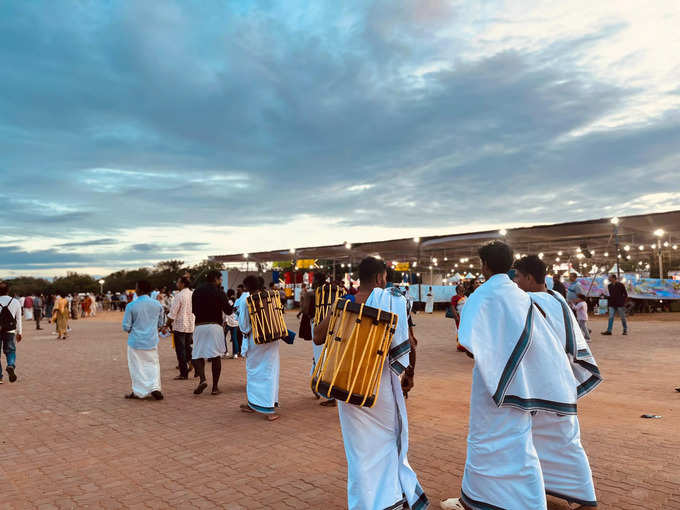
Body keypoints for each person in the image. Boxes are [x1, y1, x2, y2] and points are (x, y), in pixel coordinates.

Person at [440, 242, 578, 510]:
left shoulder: (482, 295)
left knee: (484, 441)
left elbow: (468, 342)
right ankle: (528, 502)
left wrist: (493, 355)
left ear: (485, 265)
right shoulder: (520, 296)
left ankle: (479, 500)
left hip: (490, 384)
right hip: (520, 384)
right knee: (519, 442)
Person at [314, 257, 428, 510]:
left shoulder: (345, 303)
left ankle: (367, 503)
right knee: (388, 442)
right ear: (380, 277)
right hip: (381, 386)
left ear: (358, 278)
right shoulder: (393, 302)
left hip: (348, 385)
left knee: (360, 452)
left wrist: (336, 311)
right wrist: (409, 374)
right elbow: (409, 342)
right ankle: (391, 499)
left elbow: (317, 336)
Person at [512, 255, 602, 508]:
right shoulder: (557, 299)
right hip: (561, 379)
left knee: (549, 440)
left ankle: (584, 499)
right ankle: (555, 491)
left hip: (542, 382)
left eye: (517, 276)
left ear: (529, 277)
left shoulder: (527, 303)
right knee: (562, 440)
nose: (515, 282)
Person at [238, 275, 281, 421]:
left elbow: (244, 326)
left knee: (255, 373)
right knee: (270, 372)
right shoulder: (271, 296)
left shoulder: (246, 301)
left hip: (256, 340)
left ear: (247, 287)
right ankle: (256, 404)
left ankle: (268, 410)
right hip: (273, 339)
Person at [191, 270, 232, 395]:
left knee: (197, 354)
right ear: (215, 279)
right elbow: (228, 311)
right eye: (220, 279)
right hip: (215, 326)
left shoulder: (197, 291)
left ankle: (202, 379)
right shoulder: (220, 292)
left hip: (199, 326)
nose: (221, 281)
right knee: (215, 356)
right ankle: (215, 388)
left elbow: (193, 310)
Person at [122, 280, 164, 400]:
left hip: (135, 341)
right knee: (153, 364)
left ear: (139, 289)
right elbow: (161, 323)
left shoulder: (131, 305)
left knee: (136, 367)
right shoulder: (157, 305)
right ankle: (155, 387)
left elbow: (126, 326)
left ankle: (139, 391)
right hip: (152, 340)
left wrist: (132, 329)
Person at [166, 276, 195, 380]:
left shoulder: (179, 296)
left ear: (182, 283)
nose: (176, 284)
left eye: (178, 282)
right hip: (190, 325)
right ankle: (195, 366)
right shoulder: (192, 294)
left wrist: (166, 325)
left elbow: (173, 313)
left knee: (180, 350)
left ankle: (183, 373)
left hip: (179, 326)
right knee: (188, 348)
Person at [0, 282, 22, 384]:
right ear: (8, 290)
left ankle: (0, 377)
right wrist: (19, 332)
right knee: (10, 350)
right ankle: (10, 365)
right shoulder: (15, 302)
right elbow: (18, 319)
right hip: (10, 330)